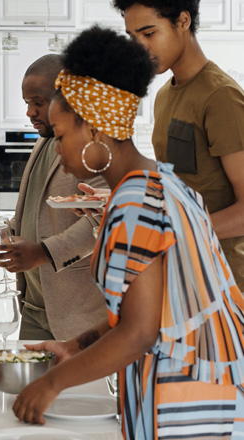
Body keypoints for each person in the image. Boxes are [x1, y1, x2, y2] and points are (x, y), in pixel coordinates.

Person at [12, 27, 244, 438]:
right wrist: (74, 347)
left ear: (96, 133)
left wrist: (50, 383)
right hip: (213, 391)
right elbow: (152, 308)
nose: (59, 152)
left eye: (62, 136)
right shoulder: (165, 183)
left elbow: (138, 334)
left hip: (181, 404)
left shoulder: (133, 203)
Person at [112, 0, 244, 290]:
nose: (139, 48)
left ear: (183, 21)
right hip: (182, 276)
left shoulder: (220, 96)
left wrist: (171, 230)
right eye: (133, 38)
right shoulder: (163, 96)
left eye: (149, 33)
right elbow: (181, 183)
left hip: (225, 283)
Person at [0, 55, 107, 340]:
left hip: (77, 313)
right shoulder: (44, 141)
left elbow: (105, 218)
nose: (29, 112)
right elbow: (35, 210)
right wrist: (7, 232)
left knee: (80, 387)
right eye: (27, 102)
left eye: (38, 102)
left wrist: (42, 252)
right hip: (33, 306)